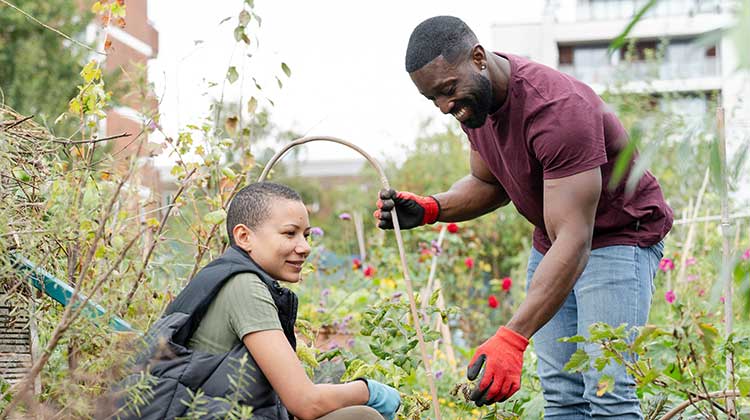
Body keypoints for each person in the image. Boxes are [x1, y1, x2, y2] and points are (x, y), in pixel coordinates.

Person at [375, 16, 673, 419]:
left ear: (478, 58)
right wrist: (432, 207)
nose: (446, 107)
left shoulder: (558, 110)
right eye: (434, 100)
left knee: (607, 389)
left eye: (448, 91)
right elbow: (488, 183)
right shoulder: (476, 107)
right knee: (562, 393)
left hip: (617, 236)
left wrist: (512, 338)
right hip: (556, 238)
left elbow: (575, 239)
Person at [119, 182, 400, 420]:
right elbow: (305, 401)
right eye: (289, 233)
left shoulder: (223, 275)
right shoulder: (245, 287)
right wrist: (369, 391)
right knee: (362, 416)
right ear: (244, 236)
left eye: (306, 235)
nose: (304, 247)